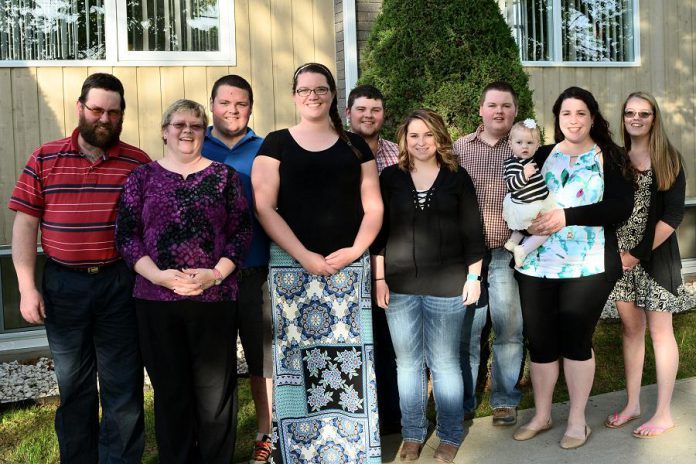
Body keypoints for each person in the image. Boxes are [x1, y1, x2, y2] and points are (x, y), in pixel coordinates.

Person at [8, 73, 149, 463]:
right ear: (80, 108)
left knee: (122, 385)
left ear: (122, 115)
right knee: (74, 387)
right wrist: (26, 287)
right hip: (63, 285)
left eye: (113, 112)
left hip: (119, 283)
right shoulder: (44, 157)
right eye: (97, 109)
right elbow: (25, 223)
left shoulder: (138, 163)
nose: (104, 118)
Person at [252, 62, 383, 463]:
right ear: (294, 95)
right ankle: (301, 450)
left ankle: (350, 448)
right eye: (305, 89)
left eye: (321, 89)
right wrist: (303, 255)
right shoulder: (276, 143)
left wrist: (357, 249)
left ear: (332, 96)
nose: (313, 95)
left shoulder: (355, 146)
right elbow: (264, 206)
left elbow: (373, 205)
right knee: (295, 361)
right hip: (293, 271)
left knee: (347, 360)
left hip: (347, 270)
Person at [115, 99, 252, 463]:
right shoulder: (141, 178)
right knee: (171, 392)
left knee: (214, 396)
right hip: (155, 300)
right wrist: (157, 275)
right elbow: (127, 235)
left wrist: (215, 274)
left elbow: (241, 232)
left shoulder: (224, 178)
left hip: (214, 299)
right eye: (179, 124)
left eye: (195, 124)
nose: (187, 130)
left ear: (204, 131)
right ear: (165, 131)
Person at [512, 86, 633, 449]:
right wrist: (525, 222)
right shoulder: (544, 153)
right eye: (566, 114)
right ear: (557, 119)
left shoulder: (611, 157)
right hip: (536, 263)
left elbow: (618, 208)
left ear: (593, 117)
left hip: (588, 264)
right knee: (542, 342)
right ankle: (543, 414)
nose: (574, 120)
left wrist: (567, 216)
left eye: (581, 113)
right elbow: (521, 193)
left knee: (576, 340)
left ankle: (578, 420)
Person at [372, 109, 485, 463]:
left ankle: (450, 434)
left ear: (440, 138)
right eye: (414, 135)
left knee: (445, 364)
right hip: (400, 285)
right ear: (404, 139)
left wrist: (473, 277)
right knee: (407, 365)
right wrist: (378, 278)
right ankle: (413, 433)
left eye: (428, 135)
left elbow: (473, 232)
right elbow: (380, 233)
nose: (421, 142)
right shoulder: (390, 178)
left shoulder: (456, 177)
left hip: (448, 285)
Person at [604, 91, 688, 438]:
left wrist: (636, 253)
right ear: (623, 118)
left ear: (655, 118)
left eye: (644, 113)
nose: (636, 119)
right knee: (631, 329)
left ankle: (664, 412)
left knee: (659, 331)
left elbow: (673, 216)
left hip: (653, 258)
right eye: (630, 113)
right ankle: (633, 404)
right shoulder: (617, 159)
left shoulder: (668, 158)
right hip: (620, 261)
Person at [202, 74, 274, 462]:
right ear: (211, 104)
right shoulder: (196, 145)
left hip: (255, 272)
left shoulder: (265, 149)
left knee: (262, 360)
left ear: (251, 107)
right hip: (208, 278)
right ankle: (216, 441)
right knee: (214, 366)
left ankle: (266, 434)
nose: (232, 110)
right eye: (225, 103)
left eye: (241, 103)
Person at [453, 81, 524, 425]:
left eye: (506, 106)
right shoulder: (460, 148)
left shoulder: (525, 149)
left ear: (515, 111)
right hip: (468, 256)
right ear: (480, 110)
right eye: (493, 105)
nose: (499, 111)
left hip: (507, 254)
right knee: (468, 330)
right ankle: (464, 402)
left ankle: (504, 400)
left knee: (509, 329)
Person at [345, 83, 401, 434]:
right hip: (349, 255)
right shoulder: (337, 150)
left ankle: (393, 419)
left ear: (383, 114)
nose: (368, 115)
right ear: (348, 113)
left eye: (375, 110)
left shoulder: (398, 153)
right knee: (353, 339)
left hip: (392, 257)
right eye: (361, 109)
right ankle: (358, 418)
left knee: (389, 340)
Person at [502, 119, 555, 267]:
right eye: (519, 143)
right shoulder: (513, 163)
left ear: (537, 145)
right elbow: (512, 185)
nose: (524, 146)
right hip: (528, 204)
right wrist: (524, 175)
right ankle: (523, 249)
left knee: (524, 223)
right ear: (510, 144)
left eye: (530, 143)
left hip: (532, 202)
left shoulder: (528, 160)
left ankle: (513, 242)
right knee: (546, 229)